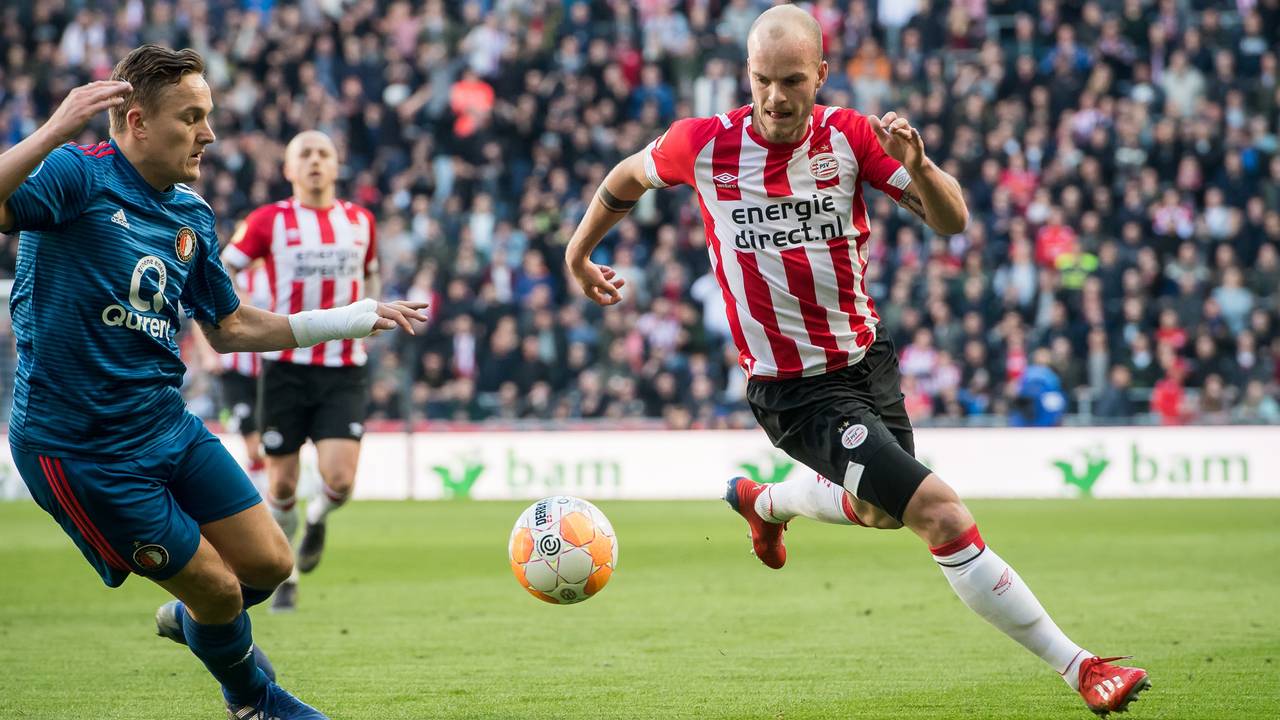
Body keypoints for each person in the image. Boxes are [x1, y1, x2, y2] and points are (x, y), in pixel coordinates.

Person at [564, 7, 1149, 716]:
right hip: (794, 391)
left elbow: (953, 220)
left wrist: (920, 167)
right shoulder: (704, 144)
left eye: (791, 81)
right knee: (940, 514)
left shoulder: (850, 137)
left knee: (879, 513)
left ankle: (765, 502)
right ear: (746, 74)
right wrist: (578, 252)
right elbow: (626, 178)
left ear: (821, 74)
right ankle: (1082, 668)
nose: (776, 97)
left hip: (868, 361)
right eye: (762, 80)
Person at [0, 45, 427, 720]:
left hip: (163, 423)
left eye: (208, 115)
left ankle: (198, 620)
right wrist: (54, 129)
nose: (210, 133)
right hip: (82, 449)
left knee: (269, 566)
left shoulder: (191, 215)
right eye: (192, 117)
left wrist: (348, 317)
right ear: (137, 122)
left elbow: (228, 327)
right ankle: (254, 702)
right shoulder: (75, 174)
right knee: (222, 592)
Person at [222, 130, 380, 612]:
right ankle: (286, 573)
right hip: (285, 366)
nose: (315, 161)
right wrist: (241, 315)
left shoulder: (360, 221)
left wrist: (371, 313)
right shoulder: (267, 220)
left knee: (341, 480)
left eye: (323, 154)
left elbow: (371, 273)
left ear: (336, 166)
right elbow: (224, 267)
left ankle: (317, 519)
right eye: (304, 155)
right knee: (282, 484)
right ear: (288, 169)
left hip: (342, 366)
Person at [191, 261, 272, 493]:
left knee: (269, 438)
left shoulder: (273, 275)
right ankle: (260, 492)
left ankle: (269, 487)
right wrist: (208, 356)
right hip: (235, 374)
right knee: (252, 440)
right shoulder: (227, 278)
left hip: (270, 371)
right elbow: (201, 318)